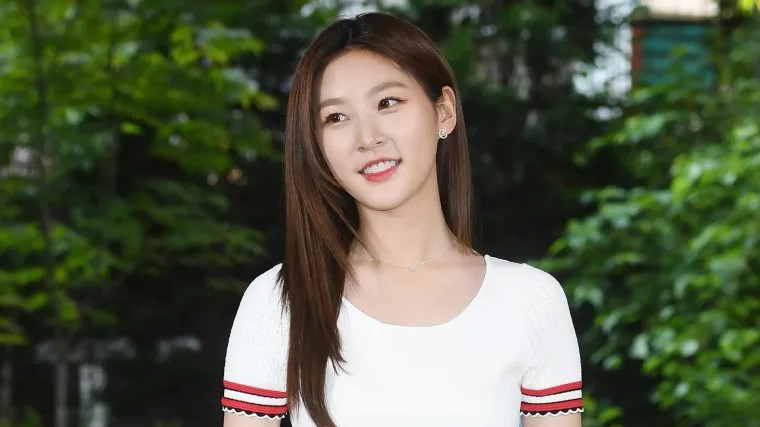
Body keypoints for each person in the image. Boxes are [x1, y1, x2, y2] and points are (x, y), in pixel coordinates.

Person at [220, 12, 583, 427]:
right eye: (336, 117)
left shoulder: (530, 300)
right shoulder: (280, 300)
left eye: (388, 103)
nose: (367, 138)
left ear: (444, 111)